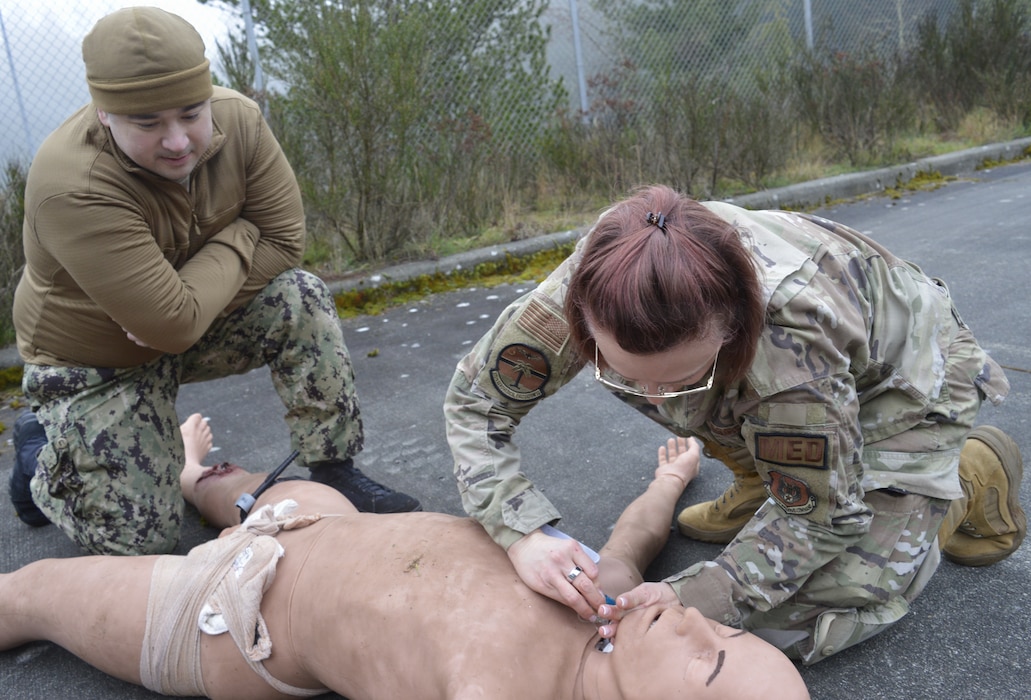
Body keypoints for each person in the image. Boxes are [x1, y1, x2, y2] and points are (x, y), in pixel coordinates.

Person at [444, 183, 1024, 664]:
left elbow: (823, 518)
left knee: (777, 625)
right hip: (779, 402)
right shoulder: (597, 285)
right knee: (708, 408)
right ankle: (767, 479)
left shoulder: (792, 356)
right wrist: (520, 531)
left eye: (679, 377)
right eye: (623, 373)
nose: (655, 399)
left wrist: (695, 595)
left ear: (733, 332)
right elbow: (475, 400)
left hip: (907, 386)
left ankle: (962, 479)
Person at [0, 414, 809, 700]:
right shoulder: (605, 599)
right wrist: (668, 481)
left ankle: (55, 465)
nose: (692, 623)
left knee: (31, 592)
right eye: (725, 631)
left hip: (229, 619)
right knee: (245, 489)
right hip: (316, 521)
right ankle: (192, 475)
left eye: (706, 663)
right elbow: (634, 540)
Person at [7, 7, 420, 556]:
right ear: (104, 114)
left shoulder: (240, 121)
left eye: (191, 113)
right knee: (141, 545)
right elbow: (172, 321)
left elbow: (285, 243)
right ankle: (42, 454)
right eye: (148, 123)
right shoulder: (71, 184)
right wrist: (242, 235)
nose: (178, 141)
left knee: (299, 294)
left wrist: (179, 308)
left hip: (190, 325)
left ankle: (333, 468)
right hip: (95, 364)